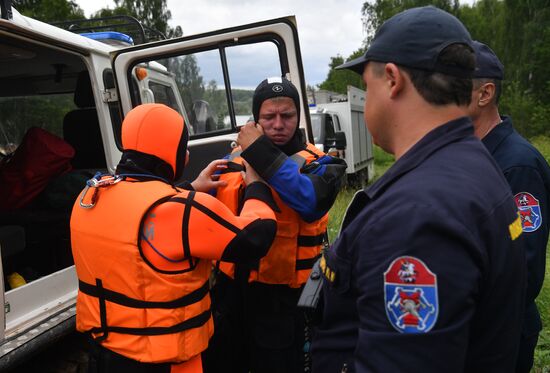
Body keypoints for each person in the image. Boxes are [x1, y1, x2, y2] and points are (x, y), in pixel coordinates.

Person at [310, 6, 526, 372]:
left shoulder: (416, 215)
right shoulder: (472, 163)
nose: (368, 98)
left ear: (393, 79)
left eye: (368, 85)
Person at [70, 103, 278, 373]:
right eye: (184, 147)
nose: (187, 155)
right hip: (165, 362)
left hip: (104, 354)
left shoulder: (90, 195)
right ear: (172, 152)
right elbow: (255, 236)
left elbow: (138, 211)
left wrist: (189, 187)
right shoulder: (183, 210)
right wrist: (257, 183)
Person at [204, 77, 347, 373]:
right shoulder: (231, 160)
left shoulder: (322, 164)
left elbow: (309, 202)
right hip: (231, 294)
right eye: (269, 117)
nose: (278, 124)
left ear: (298, 117)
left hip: (284, 301)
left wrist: (257, 150)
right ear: (256, 118)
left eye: (287, 115)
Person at [466, 40, 550, 373]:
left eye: (453, 86)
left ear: (484, 94)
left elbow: (523, 269)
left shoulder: (517, 165)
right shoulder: (474, 155)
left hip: (502, 336)